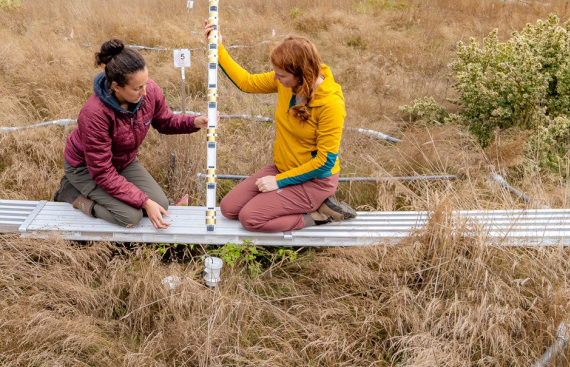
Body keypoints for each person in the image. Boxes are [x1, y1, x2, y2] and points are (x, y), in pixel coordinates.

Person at [207, 26, 357, 232]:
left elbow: (325, 162)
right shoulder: (287, 83)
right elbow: (246, 82)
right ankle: (292, 202)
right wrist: (218, 47)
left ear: (302, 75)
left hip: (314, 181)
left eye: (281, 75)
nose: (275, 79)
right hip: (283, 168)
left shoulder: (331, 104)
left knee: (249, 218)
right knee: (228, 208)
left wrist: (279, 182)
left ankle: (319, 215)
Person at [56, 39, 206, 229]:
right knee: (129, 216)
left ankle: (128, 198)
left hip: (122, 162)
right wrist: (144, 202)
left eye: (145, 83)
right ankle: (70, 193)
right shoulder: (94, 114)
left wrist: (194, 122)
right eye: (137, 88)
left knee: (162, 204)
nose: (145, 92)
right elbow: (102, 172)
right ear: (116, 86)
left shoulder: (148, 90)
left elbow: (165, 121)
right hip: (87, 169)